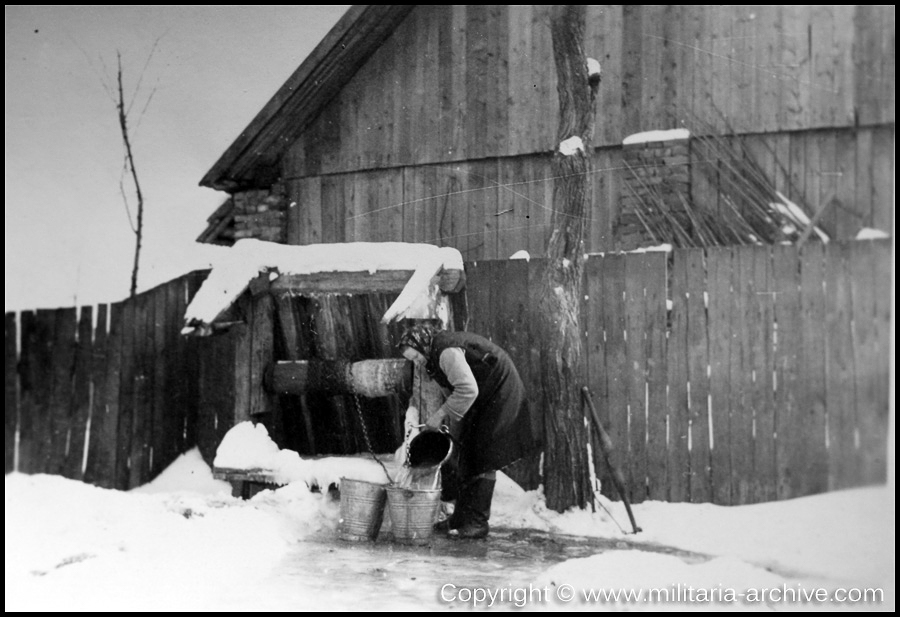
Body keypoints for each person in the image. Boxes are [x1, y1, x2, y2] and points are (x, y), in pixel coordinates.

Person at [397, 323, 541, 539]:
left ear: (423, 344)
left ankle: (476, 523)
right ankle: (461, 519)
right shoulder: (434, 353)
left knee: (483, 455)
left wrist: (439, 415)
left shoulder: (445, 352)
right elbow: (456, 388)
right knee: (467, 451)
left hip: (499, 391)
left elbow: (467, 389)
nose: (417, 363)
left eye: (417, 357)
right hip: (483, 395)